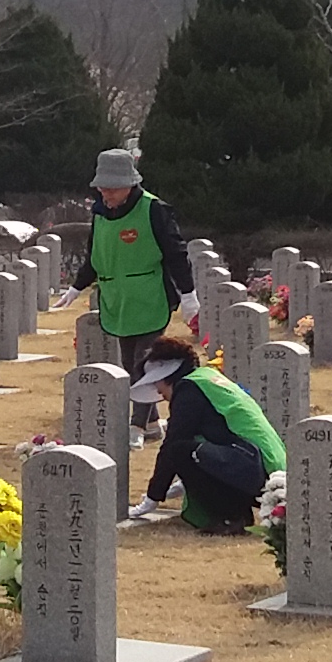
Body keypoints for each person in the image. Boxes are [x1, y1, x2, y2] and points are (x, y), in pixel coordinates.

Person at [75, 147, 193, 428]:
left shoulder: (154, 209)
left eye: (113, 189)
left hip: (150, 297)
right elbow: (95, 254)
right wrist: (76, 287)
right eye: (103, 189)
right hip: (118, 300)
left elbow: (176, 252)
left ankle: (136, 426)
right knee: (129, 364)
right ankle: (152, 424)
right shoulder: (100, 213)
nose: (107, 195)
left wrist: (189, 293)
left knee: (144, 363)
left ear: (130, 184)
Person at [126, 330, 283, 530]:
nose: (157, 391)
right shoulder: (206, 378)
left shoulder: (188, 391)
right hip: (260, 467)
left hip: (255, 471)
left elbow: (173, 446)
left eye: (156, 382)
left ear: (167, 375)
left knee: (180, 450)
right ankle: (236, 513)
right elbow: (217, 436)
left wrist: (153, 497)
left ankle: (229, 517)